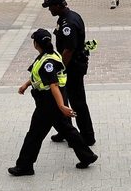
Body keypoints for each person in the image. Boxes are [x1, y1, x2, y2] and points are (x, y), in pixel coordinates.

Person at [8, 29, 98, 176]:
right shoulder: (50, 54)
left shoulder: (47, 62)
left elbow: (53, 84)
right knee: (66, 129)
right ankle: (87, 156)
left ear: (35, 44)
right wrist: (26, 84)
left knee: (34, 134)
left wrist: (62, 106)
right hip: (52, 99)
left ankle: (25, 166)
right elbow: (38, 76)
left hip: (49, 101)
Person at [43, 0, 96, 146]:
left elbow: (69, 50)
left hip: (72, 68)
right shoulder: (66, 17)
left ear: (58, 6)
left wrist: (60, 70)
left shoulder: (69, 23)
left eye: (50, 6)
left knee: (77, 102)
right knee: (63, 99)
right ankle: (66, 131)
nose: (49, 9)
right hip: (69, 66)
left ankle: (87, 136)